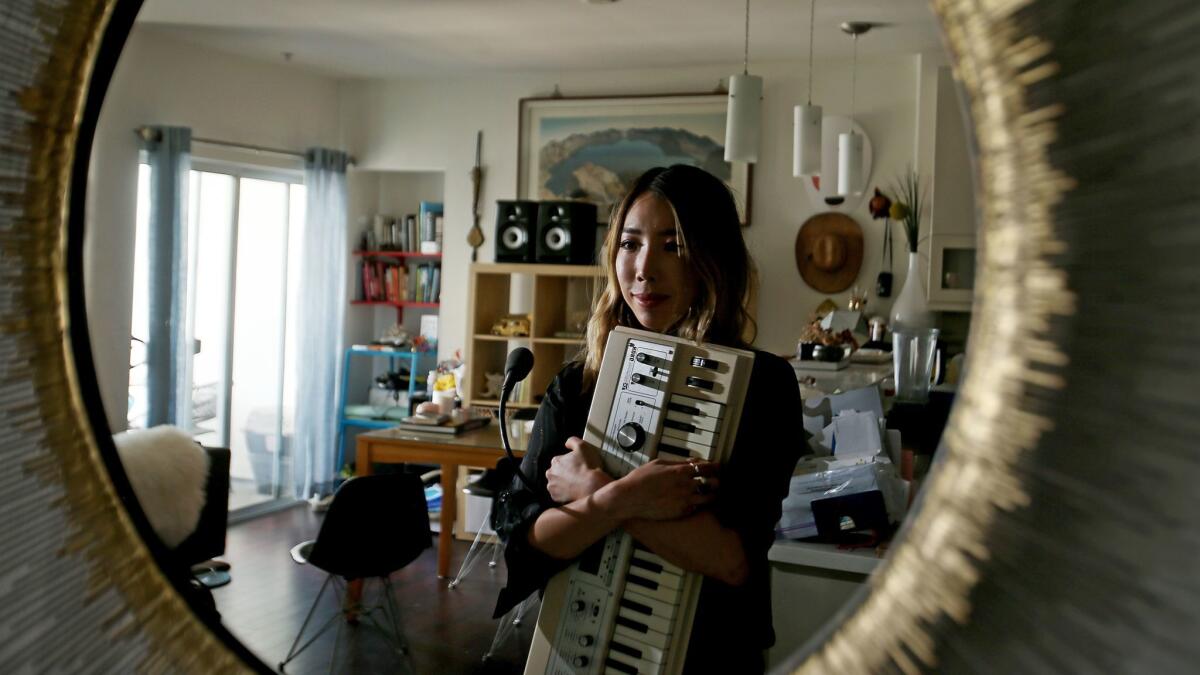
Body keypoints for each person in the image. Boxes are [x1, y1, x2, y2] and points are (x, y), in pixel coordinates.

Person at [493, 164, 807, 673]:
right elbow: (526, 547)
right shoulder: (575, 387)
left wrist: (596, 489)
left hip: (712, 654)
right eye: (630, 243)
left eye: (672, 246)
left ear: (713, 260)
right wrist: (623, 498)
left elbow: (731, 561)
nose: (644, 268)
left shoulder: (765, 386)